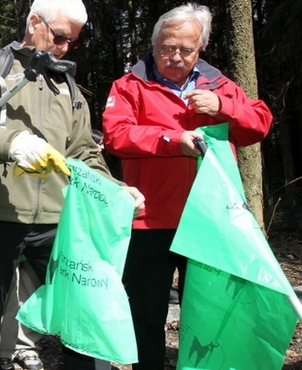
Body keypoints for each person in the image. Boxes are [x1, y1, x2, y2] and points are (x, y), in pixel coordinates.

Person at [0, 0, 145, 369]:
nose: (65, 48)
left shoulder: (68, 88)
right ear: (34, 22)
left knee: (82, 315)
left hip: (56, 222)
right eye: (59, 37)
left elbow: (85, 153)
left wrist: (115, 189)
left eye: (72, 42)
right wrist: (11, 144)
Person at [101, 3, 273, 369]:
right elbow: (116, 136)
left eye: (186, 50)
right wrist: (172, 140)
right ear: (154, 43)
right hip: (149, 220)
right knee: (146, 315)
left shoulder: (220, 85)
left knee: (210, 314)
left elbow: (258, 124)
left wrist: (224, 107)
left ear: (201, 49)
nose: (175, 57)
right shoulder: (129, 85)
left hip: (210, 221)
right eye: (167, 47)